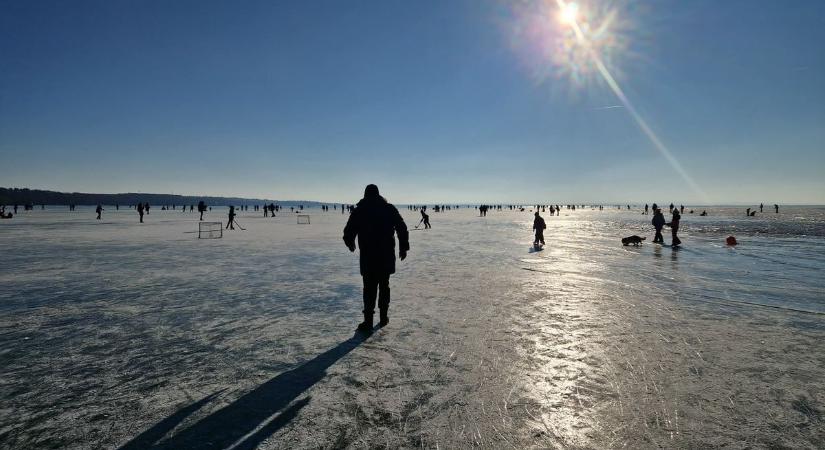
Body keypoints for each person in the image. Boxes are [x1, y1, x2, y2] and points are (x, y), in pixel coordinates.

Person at [343, 184, 409, 332]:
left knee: (369, 288)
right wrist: (403, 247)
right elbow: (402, 228)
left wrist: (350, 242)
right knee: (384, 286)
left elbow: (349, 230)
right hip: (385, 255)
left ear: (365, 194)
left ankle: (368, 322)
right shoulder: (388, 208)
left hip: (369, 257)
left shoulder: (360, 210)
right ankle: (383, 317)